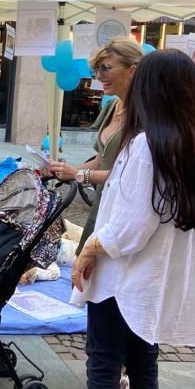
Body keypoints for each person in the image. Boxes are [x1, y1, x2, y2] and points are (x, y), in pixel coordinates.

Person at [62, 49, 195, 389]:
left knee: (104, 365)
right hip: (154, 280)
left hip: (123, 278)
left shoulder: (147, 146)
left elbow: (130, 228)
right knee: (145, 369)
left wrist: (90, 249)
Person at [46, 37, 143, 250]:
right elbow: (100, 160)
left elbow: (130, 176)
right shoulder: (111, 107)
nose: (99, 76)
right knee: (85, 261)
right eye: (96, 70)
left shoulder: (144, 116)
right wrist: (66, 170)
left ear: (132, 70)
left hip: (124, 211)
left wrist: (79, 175)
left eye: (106, 68)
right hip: (102, 202)